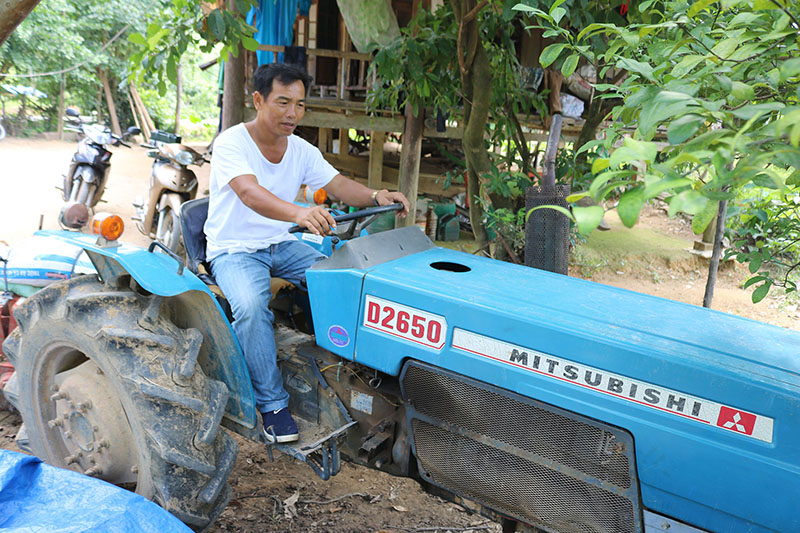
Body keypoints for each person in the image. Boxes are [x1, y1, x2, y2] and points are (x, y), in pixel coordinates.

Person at [204, 63, 409, 444]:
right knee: (250, 306)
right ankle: (272, 405)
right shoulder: (232, 143)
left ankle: (360, 376)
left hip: (281, 244)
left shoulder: (300, 149)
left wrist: (376, 196)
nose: (292, 114)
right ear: (258, 100)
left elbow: (338, 184)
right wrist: (299, 212)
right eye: (283, 103)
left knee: (345, 278)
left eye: (299, 105)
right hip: (234, 249)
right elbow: (249, 193)